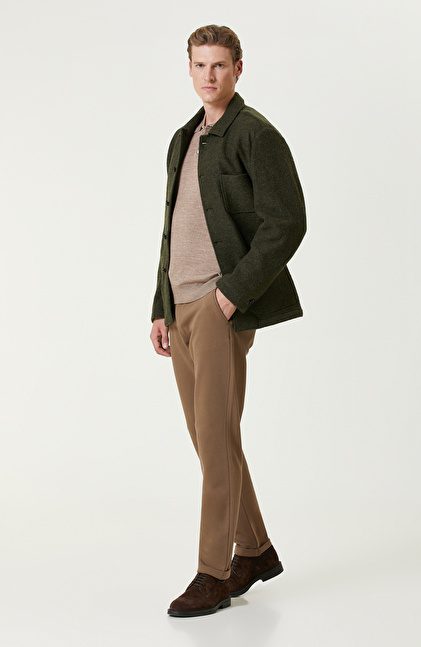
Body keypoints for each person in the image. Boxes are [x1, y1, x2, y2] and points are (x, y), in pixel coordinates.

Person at [150, 24, 306, 618]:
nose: (209, 75)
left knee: (215, 445)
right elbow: (171, 228)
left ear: (239, 68)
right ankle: (256, 550)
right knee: (210, 439)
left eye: (219, 65)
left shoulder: (255, 135)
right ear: (189, 69)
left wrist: (232, 296)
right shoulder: (184, 137)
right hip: (181, 308)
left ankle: (212, 572)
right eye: (200, 65)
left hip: (221, 307)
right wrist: (160, 306)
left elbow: (287, 222)